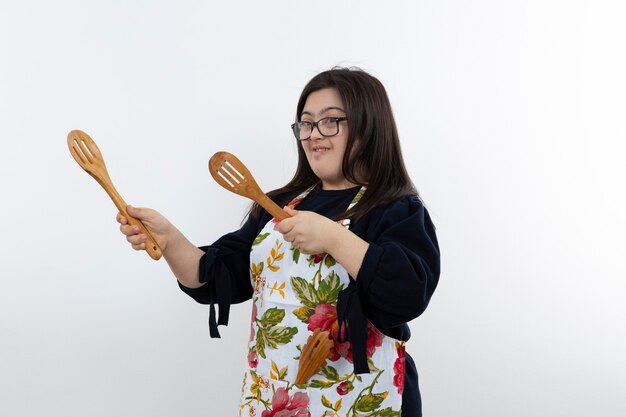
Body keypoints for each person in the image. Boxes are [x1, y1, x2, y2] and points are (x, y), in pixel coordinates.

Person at [117, 67, 440, 417]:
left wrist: (332, 237)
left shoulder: (395, 209)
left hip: (363, 399)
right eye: (306, 123)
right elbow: (215, 277)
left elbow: (408, 293)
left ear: (368, 126)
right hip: (276, 397)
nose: (314, 134)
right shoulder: (278, 204)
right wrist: (170, 241)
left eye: (330, 121)